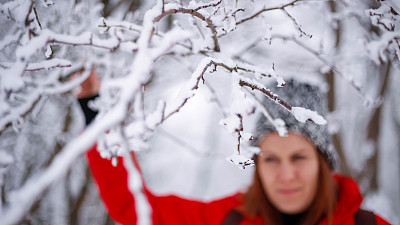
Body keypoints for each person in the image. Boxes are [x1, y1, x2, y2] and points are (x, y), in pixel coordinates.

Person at [80, 76, 391, 225]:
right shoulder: (229, 218)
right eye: (271, 159)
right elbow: (136, 208)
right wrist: (97, 115)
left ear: (323, 162)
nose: (286, 175)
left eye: (299, 157)